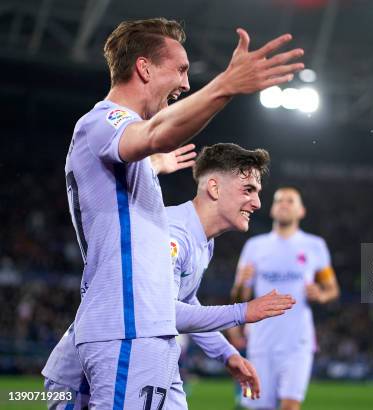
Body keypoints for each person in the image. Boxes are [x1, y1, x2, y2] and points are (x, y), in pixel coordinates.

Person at [63, 17, 303, 409]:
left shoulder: (121, 146)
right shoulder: (105, 120)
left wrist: (153, 166)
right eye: (181, 69)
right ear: (144, 68)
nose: (186, 83)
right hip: (128, 329)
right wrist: (225, 85)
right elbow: (157, 134)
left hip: (134, 332)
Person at [44, 143, 295, 409]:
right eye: (248, 190)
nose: (257, 203)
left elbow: (185, 301)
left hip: (148, 356)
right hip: (94, 370)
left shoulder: (203, 241)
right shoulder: (172, 233)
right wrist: (242, 312)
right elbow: (158, 310)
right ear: (214, 188)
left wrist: (227, 354)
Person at [231, 187, 340, 410]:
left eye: (290, 201)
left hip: (297, 343)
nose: (283, 204)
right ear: (271, 209)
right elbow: (239, 297)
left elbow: (332, 290)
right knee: (258, 407)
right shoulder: (255, 246)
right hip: (261, 342)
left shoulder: (314, 246)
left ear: (301, 211)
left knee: (290, 406)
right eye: (279, 200)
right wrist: (242, 283)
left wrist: (320, 294)